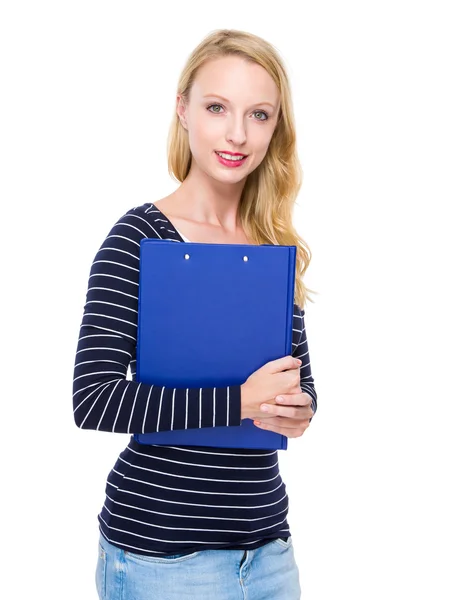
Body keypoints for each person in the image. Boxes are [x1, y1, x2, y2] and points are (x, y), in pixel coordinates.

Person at [72, 28, 318, 600]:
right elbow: (93, 398)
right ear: (183, 110)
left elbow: (302, 391)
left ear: (276, 127)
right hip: (165, 560)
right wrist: (239, 401)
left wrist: (298, 410)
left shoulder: (272, 245)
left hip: (268, 554)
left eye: (259, 114)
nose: (237, 134)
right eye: (217, 108)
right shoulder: (138, 238)